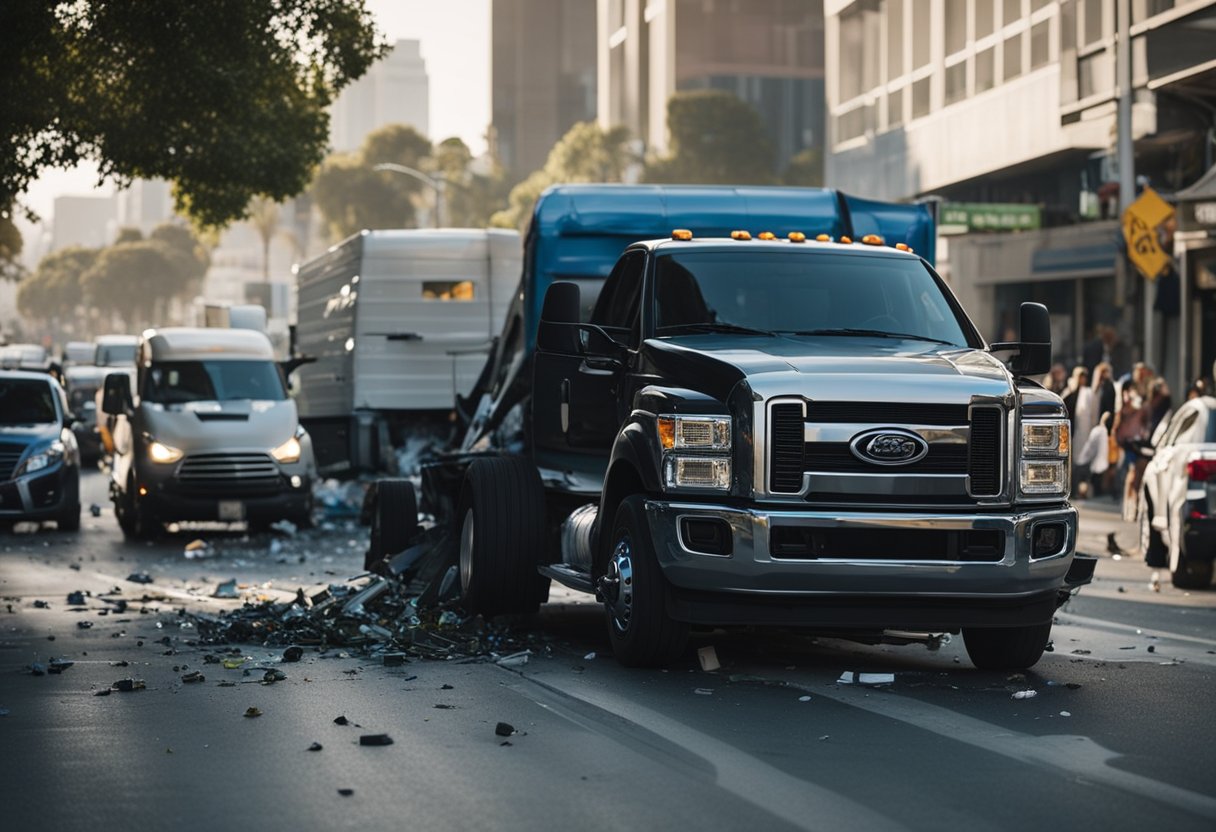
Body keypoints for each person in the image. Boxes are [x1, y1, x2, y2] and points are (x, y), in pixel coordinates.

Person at [1075, 412, 1112, 499]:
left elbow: (1090, 446)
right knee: (1087, 479)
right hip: (1096, 462)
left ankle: (1083, 493)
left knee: (1084, 478)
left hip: (1090, 461)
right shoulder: (1106, 433)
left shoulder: (1098, 431)